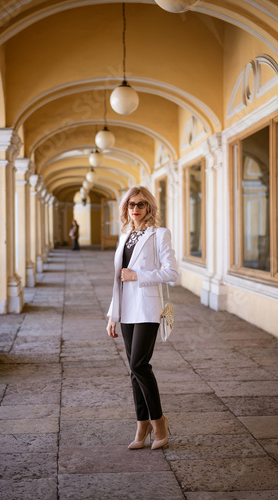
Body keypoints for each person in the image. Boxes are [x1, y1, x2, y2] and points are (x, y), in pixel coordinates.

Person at [106, 186, 178, 450]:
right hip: (126, 309)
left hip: (147, 309)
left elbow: (171, 272)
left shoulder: (159, 234)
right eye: (130, 204)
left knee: (139, 365)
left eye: (140, 204)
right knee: (133, 370)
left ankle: (159, 421)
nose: (135, 209)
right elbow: (117, 280)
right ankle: (142, 423)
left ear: (149, 208)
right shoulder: (125, 235)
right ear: (125, 208)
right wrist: (113, 315)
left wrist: (139, 276)